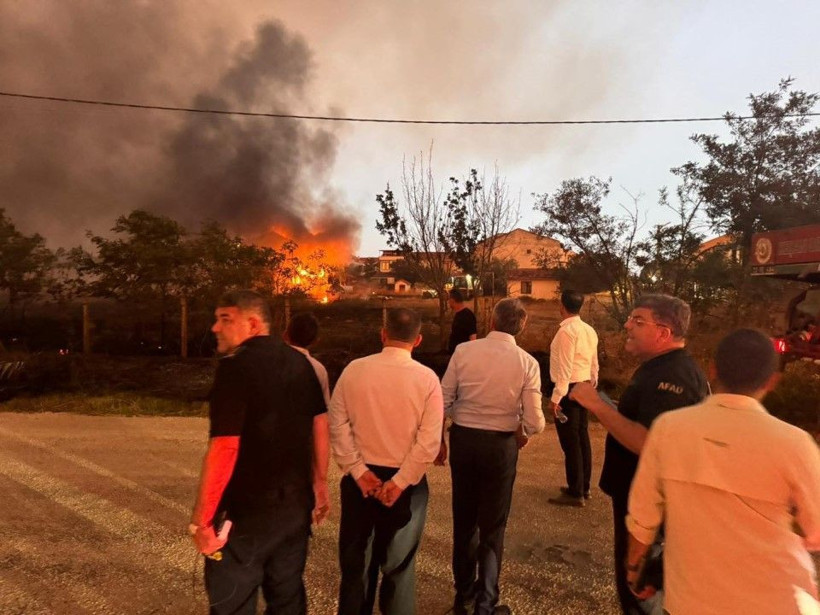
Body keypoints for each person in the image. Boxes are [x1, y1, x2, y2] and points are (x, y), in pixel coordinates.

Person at [626, 328, 820, 615]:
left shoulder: (669, 429)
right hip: (776, 602)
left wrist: (633, 570)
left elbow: (642, 520)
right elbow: (816, 530)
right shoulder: (795, 444)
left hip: (690, 601)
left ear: (713, 369)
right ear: (772, 380)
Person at [189, 290, 329, 615]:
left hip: (246, 512)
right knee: (287, 598)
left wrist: (202, 521)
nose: (215, 328)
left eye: (225, 319)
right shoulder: (301, 363)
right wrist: (320, 486)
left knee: (233, 601)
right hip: (295, 508)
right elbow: (320, 426)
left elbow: (225, 445)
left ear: (252, 323)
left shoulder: (234, 368)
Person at [570, 294, 709, 615]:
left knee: (641, 593)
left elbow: (649, 442)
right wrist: (611, 406)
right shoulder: (659, 368)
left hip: (652, 507)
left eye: (638, 321)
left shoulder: (673, 375)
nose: (627, 325)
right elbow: (646, 422)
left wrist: (596, 405)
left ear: (663, 333)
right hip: (637, 498)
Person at [329, 308, 443, 615]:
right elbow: (429, 441)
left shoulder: (354, 370)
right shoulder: (428, 380)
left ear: (383, 334)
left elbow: (336, 424)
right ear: (418, 340)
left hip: (360, 485)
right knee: (399, 569)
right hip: (405, 486)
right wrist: (400, 482)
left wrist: (357, 470)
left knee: (356, 569)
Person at [440, 297, 546, 615]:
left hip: (464, 441)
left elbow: (443, 399)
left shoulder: (463, 352)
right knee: (493, 526)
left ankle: (463, 596)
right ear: (522, 327)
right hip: (500, 447)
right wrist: (521, 430)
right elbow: (536, 421)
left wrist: (437, 440)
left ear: (492, 321)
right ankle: (486, 604)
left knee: (464, 520)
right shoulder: (527, 362)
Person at [547, 290, 599, 507]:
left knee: (571, 441)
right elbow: (594, 362)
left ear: (562, 306)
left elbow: (565, 367)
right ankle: (583, 486)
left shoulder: (567, 332)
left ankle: (576, 491)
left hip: (569, 389)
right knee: (581, 437)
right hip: (584, 384)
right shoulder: (589, 330)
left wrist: (556, 396)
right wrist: (593, 382)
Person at [285, 312, 332, 524]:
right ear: (316, 340)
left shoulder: (269, 363)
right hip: (302, 446)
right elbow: (321, 418)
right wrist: (320, 477)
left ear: (285, 333)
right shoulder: (318, 369)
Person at [448, 288, 477, 353]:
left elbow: (473, 338)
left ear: (452, 300)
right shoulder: (458, 315)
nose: (448, 302)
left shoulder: (468, 316)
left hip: (463, 354)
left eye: (449, 299)